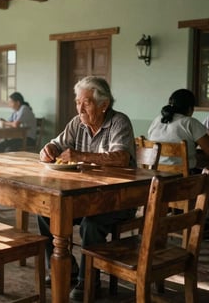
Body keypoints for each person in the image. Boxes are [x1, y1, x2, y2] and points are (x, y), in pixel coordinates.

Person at [37, 76, 136, 301]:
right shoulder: (77, 123)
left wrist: (81, 156)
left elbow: (121, 158)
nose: (80, 108)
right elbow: (58, 143)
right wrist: (49, 148)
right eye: (77, 102)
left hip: (119, 200)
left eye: (87, 102)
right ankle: (66, 267)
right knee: (45, 212)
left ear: (104, 105)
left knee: (91, 223)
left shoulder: (119, 122)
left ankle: (88, 282)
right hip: (87, 198)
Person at [148, 89, 209, 173]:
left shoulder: (157, 120)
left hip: (154, 175)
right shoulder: (190, 122)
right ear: (190, 108)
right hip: (182, 178)